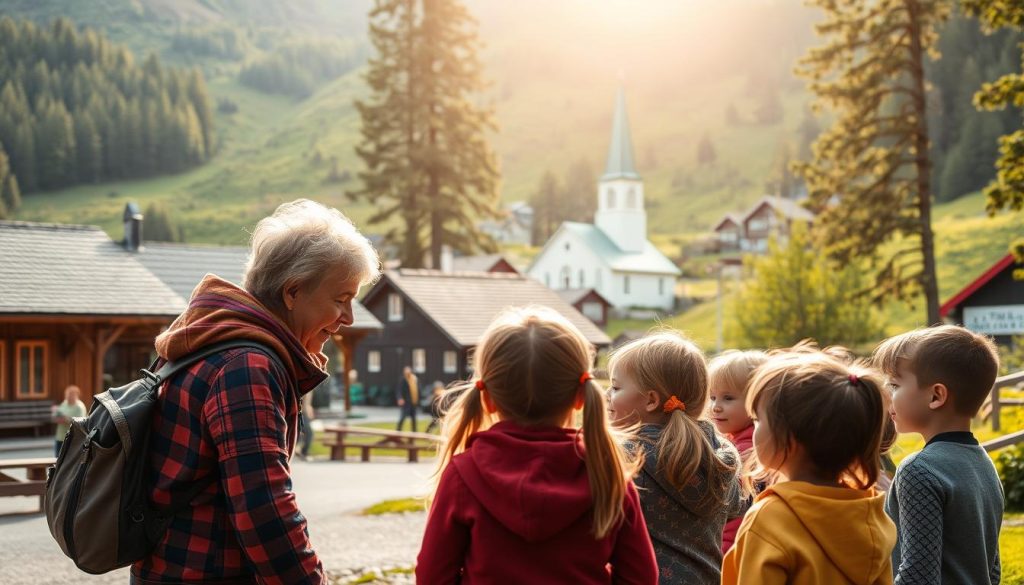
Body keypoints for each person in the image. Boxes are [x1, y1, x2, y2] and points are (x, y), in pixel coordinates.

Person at [132, 199, 380, 585]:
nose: (348, 318)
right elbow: (264, 509)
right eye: (341, 299)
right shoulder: (246, 366)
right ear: (293, 291)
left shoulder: (214, 341)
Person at [416, 307, 658, 584]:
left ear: (488, 398)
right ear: (580, 396)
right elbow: (640, 578)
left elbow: (432, 576)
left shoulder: (462, 475)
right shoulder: (607, 474)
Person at [721, 349, 896, 585]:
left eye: (758, 420)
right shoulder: (869, 512)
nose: (754, 428)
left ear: (790, 439)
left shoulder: (771, 517)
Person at [607, 332, 745, 584]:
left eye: (616, 387)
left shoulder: (626, 457)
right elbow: (739, 506)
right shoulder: (721, 454)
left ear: (651, 400)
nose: (607, 394)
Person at [873, 325, 1003, 584]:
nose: (888, 394)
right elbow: (992, 569)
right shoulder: (984, 464)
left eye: (895, 385)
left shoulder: (919, 470)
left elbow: (918, 577)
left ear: (936, 395)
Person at [706, 349, 768, 553]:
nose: (716, 407)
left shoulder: (747, 453)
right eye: (712, 397)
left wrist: (722, 553)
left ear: (758, 401)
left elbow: (735, 515)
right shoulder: (733, 441)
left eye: (728, 398)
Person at [53, 385, 86, 457]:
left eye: (69, 395)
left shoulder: (79, 407)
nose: (67, 397)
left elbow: (80, 422)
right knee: (57, 460)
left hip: (72, 439)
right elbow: (57, 415)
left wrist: (65, 419)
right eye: (66, 395)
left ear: (76, 395)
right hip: (60, 437)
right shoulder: (64, 403)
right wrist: (56, 417)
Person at [396, 366, 419, 432]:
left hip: (413, 402)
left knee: (414, 419)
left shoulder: (414, 379)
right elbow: (399, 390)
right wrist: (400, 398)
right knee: (402, 417)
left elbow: (417, 389)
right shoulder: (403, 380)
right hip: (406, 402)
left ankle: (414, 433)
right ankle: (398, 431)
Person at [298, 391, 315, 461]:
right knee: (309, 433)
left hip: (303, 414)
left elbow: (307, 403)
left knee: (300, 433)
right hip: (301, 414)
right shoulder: (306, 386)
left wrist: (310, 409)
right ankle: (303, 452)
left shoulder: (310, 388)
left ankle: (301, 451)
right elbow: (303, 403)